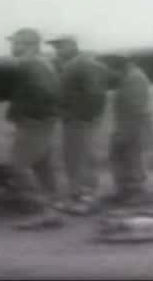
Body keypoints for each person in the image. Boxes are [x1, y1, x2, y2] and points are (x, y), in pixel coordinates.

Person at [5, 28, 65, 230]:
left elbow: (45, 93)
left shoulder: (30, 64)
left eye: (16, 43)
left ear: (29, 45)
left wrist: (25, 113)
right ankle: (53, 205)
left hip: (34, 122)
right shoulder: (42, 63)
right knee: (42, 165)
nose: (12, 46)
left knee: (19, 165)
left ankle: (42, 212)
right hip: (43, 120)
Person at [46, 35, 109, 215]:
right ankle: (79, 195)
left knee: (80, 157)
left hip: (79, 119)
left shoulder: (82, 64)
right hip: (74, 118)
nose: (57, 51)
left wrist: (85, 116)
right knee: (74, 157)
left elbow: (96, 93)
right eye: (56, 48)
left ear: (73, 46)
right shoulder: (75, 64)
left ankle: (87, 198)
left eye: (61, 47)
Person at [103, 54, 153, 205]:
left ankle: (135, 193)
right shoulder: (130, 77)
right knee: (120, 157)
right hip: (127, 123)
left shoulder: (135, 78)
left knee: (133, 158)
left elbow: (135, 106)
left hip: (134, 123)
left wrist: (127, 130)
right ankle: (123, 191)